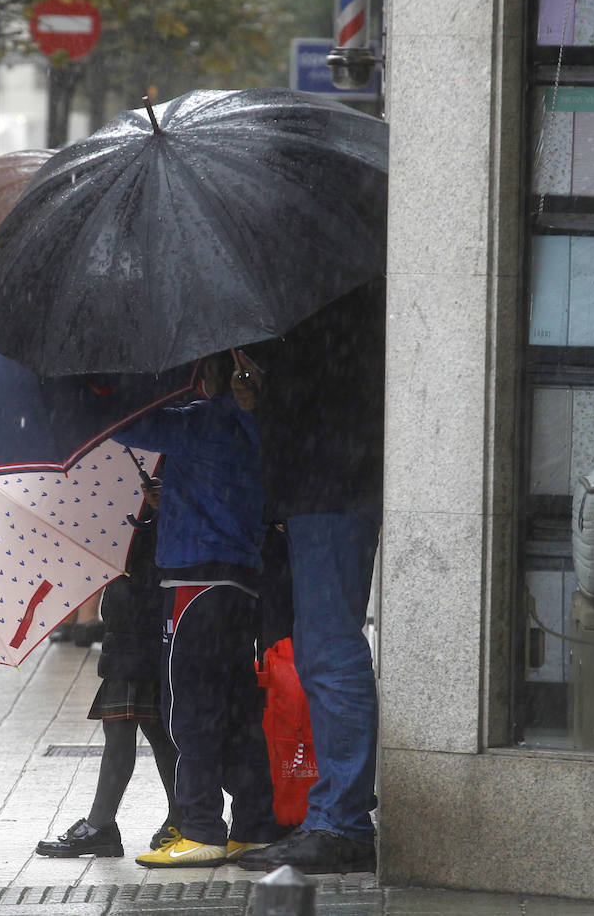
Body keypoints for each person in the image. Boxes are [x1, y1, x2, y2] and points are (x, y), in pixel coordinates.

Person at [232, 278, 386, 876]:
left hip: (331, 480)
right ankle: (337, 816)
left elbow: (325, 379)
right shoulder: (333, 276)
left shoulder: (326, 291)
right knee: (327, 645)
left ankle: (342, 823)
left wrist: (263, 366)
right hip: (327, 479)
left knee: (329, 648)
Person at [112, 353, 286, 868]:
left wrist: (101, 389)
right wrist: (177, 500)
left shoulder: (203, 420)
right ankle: (254, 824)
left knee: (187, 710)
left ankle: (201, 826)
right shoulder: (256, 426)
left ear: (216, 372)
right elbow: (228, 495)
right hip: (238, 584)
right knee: (234, 709)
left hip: (195, 584)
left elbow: (133, 423)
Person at [35, 477, 183, 859]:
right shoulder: (127, 485)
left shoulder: (164, 485)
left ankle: (109, 823)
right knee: (147, 727)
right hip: (129, 623)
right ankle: (176, 814)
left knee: (137, 728)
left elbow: (152, 552)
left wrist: (152, 511)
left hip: (143, 623)